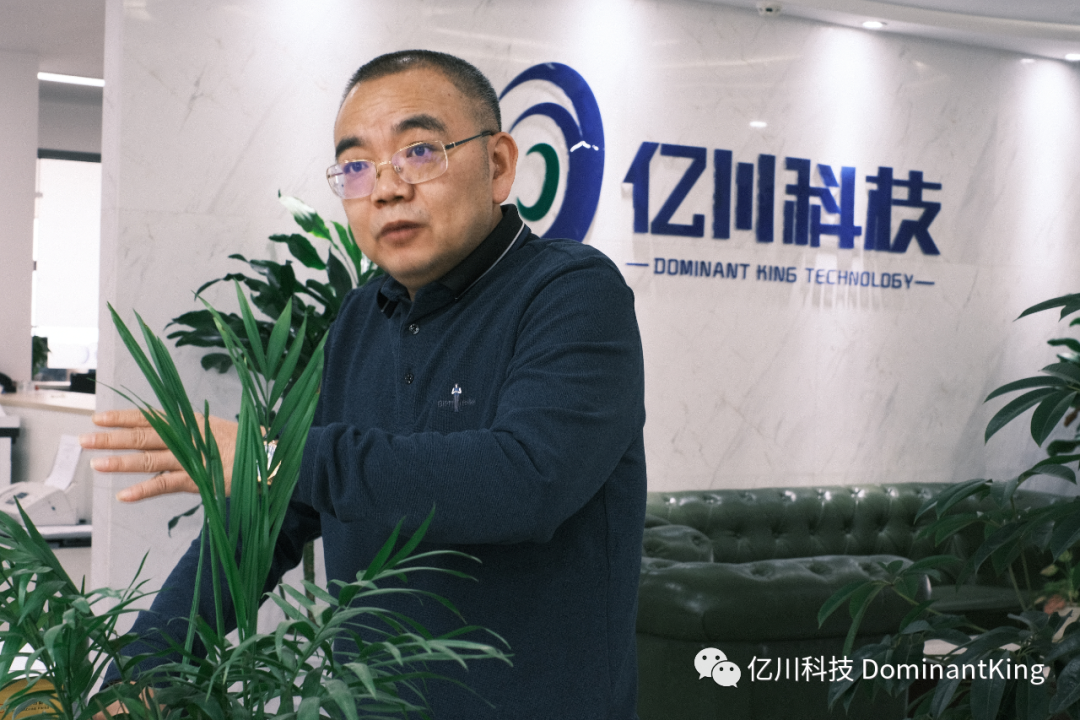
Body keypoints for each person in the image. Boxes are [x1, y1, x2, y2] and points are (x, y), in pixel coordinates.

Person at [82, 49, 646, 719]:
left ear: (497, 165)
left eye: (419, 153)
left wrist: (276, 456)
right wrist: (143, 665)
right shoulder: (360, 315)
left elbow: (527, 482)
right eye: (355, 167)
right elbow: (273, 515)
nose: (385, 189)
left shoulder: (572, 291)